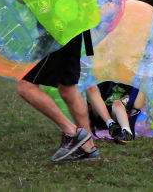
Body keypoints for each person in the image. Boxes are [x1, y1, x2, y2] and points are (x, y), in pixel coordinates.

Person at [16, 30, 99, 162]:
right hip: (74, 30)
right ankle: (88, 148)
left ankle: (72, 133)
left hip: (56, 32)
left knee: (26, 86)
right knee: (68, 89)